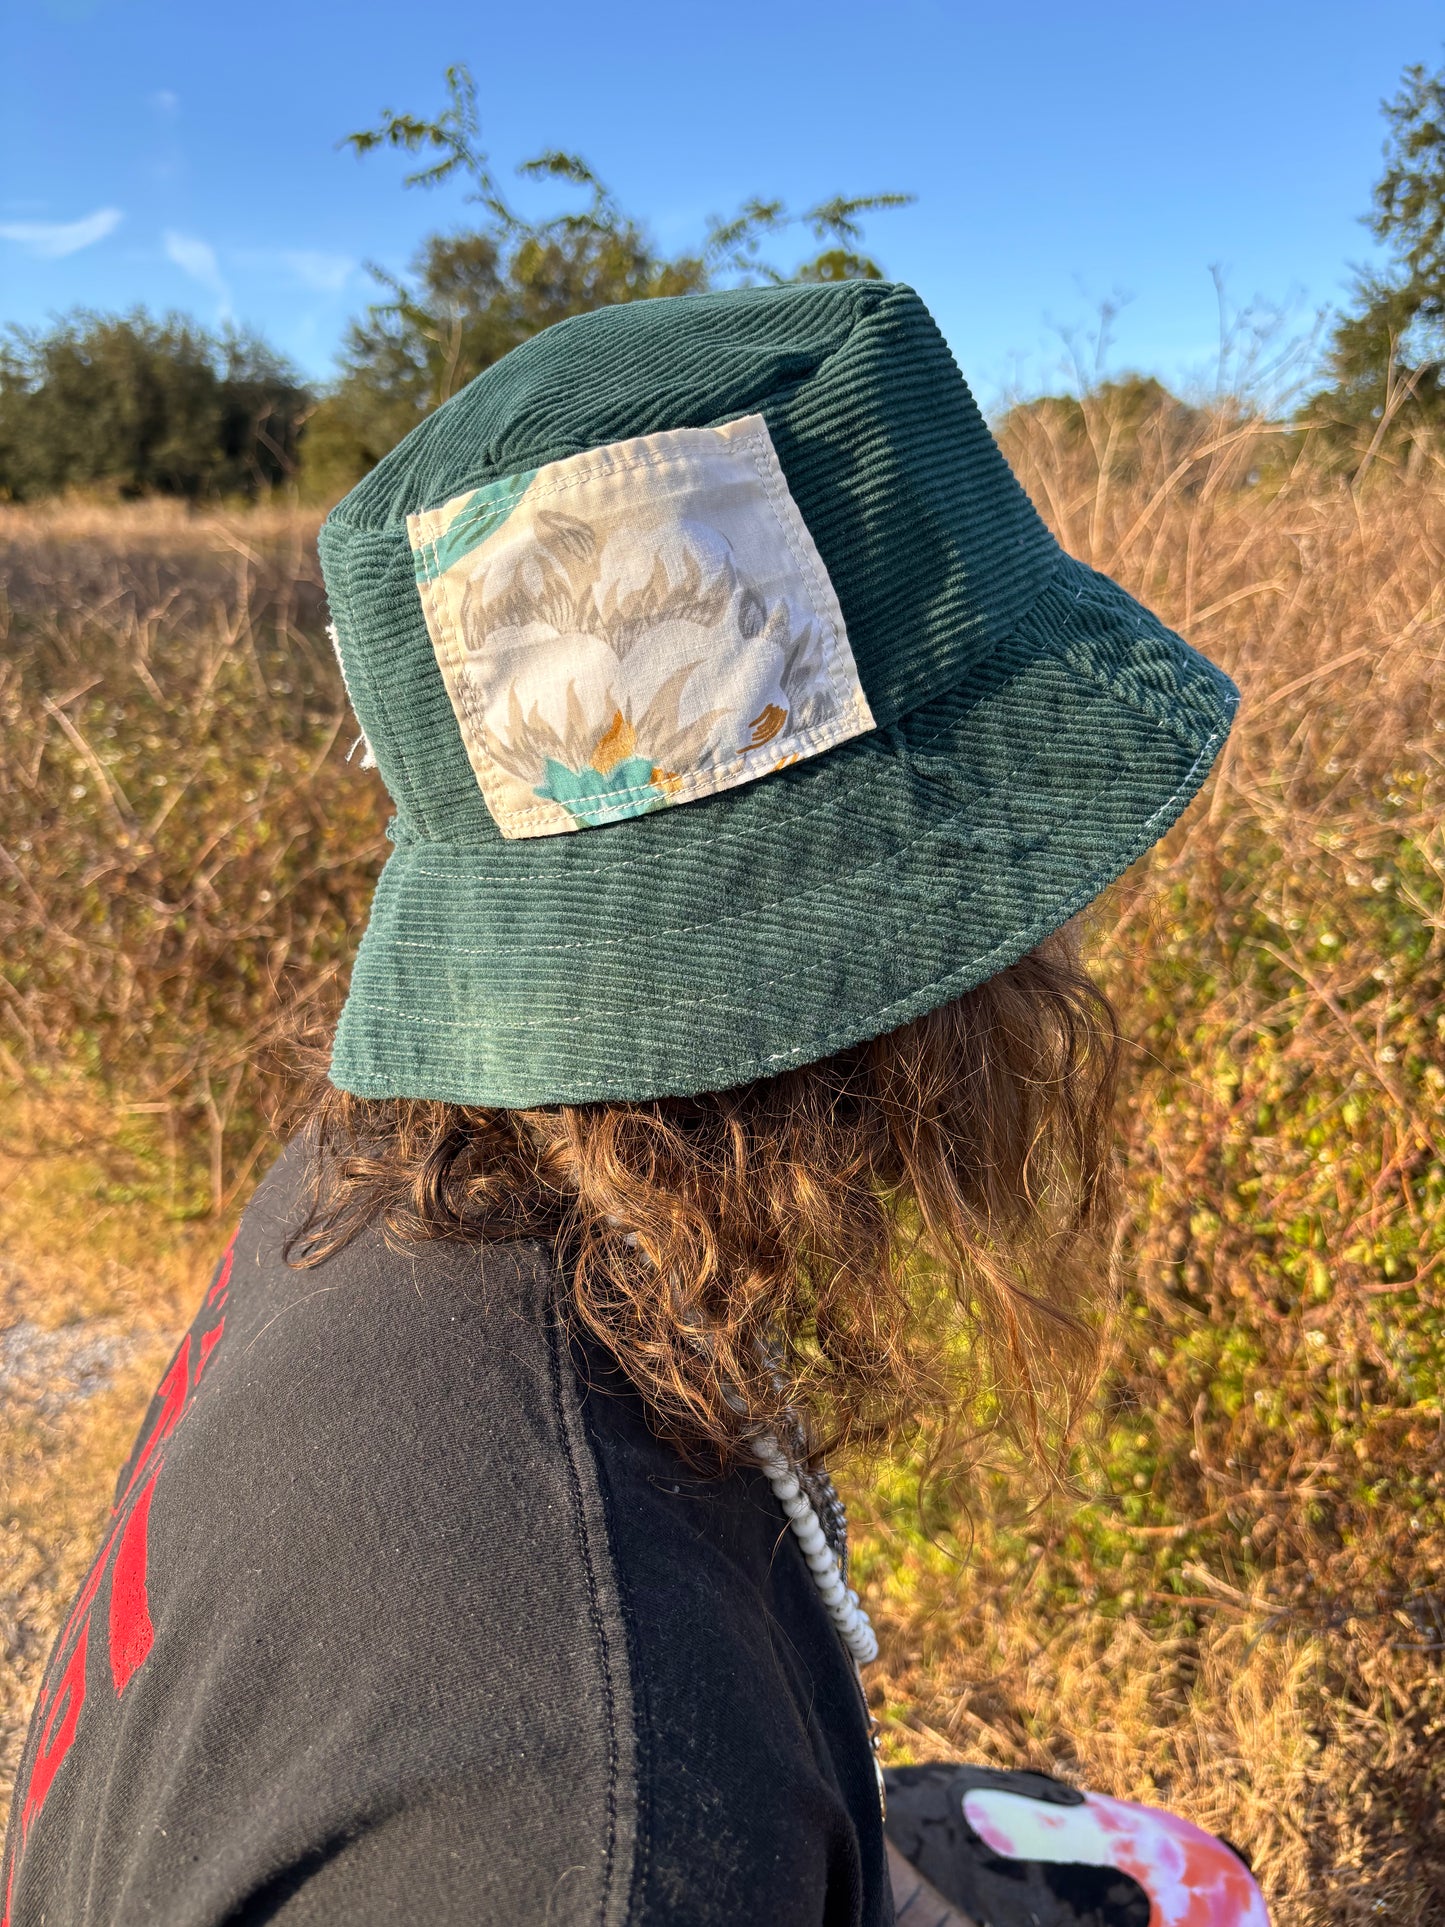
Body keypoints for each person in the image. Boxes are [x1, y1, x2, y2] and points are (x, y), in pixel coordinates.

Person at [2, 281, 1256, 1926]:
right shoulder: (603, 1794)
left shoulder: (392, 1201)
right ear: (891, 969)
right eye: (1025, 863)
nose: (1069, 937)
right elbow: (601, 1796)